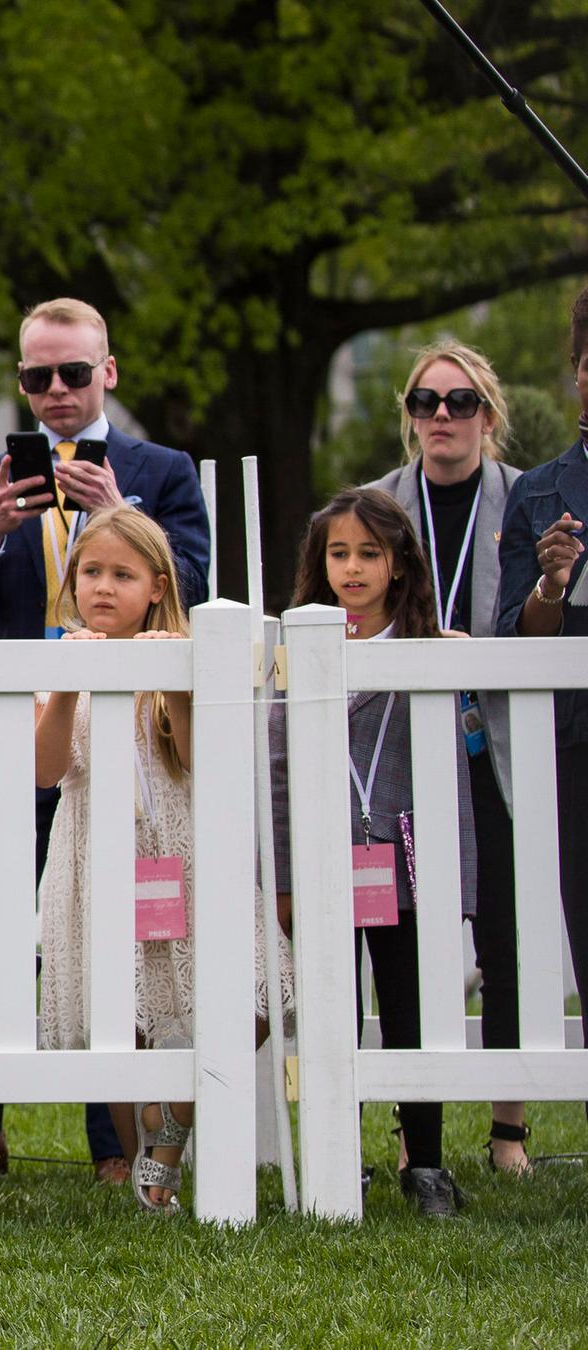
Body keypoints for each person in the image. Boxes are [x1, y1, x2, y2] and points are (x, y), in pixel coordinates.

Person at [0, 296, 211, 1179]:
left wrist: (122, 513)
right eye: (36, 376)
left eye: (73, 373)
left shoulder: (161, 470)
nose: (54, 390)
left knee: (110, 920)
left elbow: (195, 587)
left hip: (122, 740)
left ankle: (112, 1147)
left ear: (108, 373)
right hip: (8, 733)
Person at [32, 507, 290, 1212]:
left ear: (156, 585)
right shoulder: (60, 660)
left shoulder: (184, 653)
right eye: (91, 572)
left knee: (257, 984)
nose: (104, 587)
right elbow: (47, 770)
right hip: (95, 857)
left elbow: (199, 755)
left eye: (122, 574)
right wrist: (63, 682)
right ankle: (151, 1175)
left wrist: (172, 674)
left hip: (178, 852)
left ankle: (167, 1131)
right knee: (121, 1011)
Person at [275, 487, 476, 1218]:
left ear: (398, 565)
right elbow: (277, 769)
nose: (353, 568)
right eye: (338, 553)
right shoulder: (293, 647)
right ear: (318, 562)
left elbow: (454, 771)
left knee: (409, 1010)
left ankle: (425, 1163)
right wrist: (287, 874)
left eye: (369, 553)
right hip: (326, 859)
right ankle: (341, 1157)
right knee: (333, 1008)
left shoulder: (429, 647)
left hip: (408, 857)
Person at [365, 340, 529, 1174]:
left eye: (460, 402)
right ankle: (410, 1131)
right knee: (406, 942)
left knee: (503, 935)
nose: (441, 417)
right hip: (398, 754)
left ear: (488, 417)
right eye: (425, 402)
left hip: (491, 748)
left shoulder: (523, 500)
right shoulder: (375, 506)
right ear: (409, 417)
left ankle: (508, 1130)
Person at [495, 283, 588, 1137]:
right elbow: (512, 637)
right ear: (577, 376)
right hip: (579, 749)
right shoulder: (542, 495)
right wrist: (551, 584)